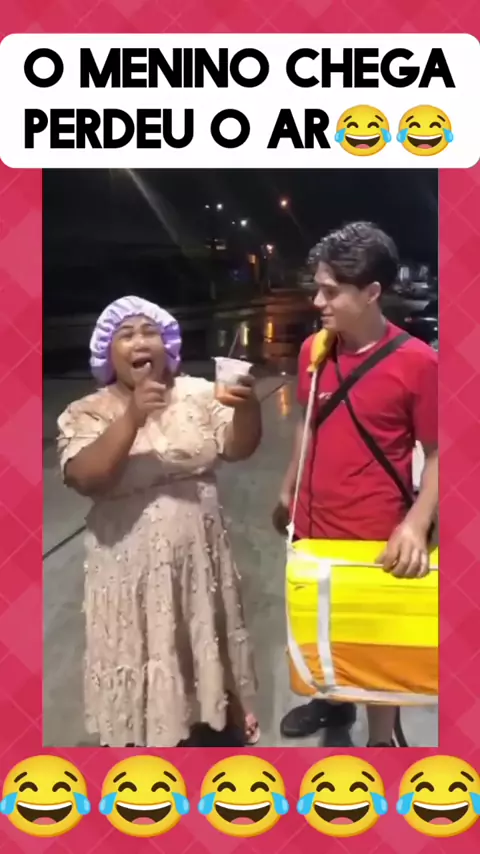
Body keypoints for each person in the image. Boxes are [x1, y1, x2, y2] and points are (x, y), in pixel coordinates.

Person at [57, 296, 261, 748]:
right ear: (107, 352)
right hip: (127, 572)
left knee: (200, 640)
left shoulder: (199, 394)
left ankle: (211, 717)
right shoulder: (88, 410)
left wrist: (247, 407)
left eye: (149, 332)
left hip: (199, 565)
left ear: (167, 345)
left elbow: (238, 447)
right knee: (142, 648)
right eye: (125, 335)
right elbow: (85, 476)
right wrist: (132, 416)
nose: (139, 342)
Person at [273, 222, 438, 747]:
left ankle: (382, 738)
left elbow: (441, 452)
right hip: (314, 524)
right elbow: (307, 421)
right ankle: (330, 700)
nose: (317, 301)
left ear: (371, 292)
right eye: (317, 288)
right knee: (323, 625)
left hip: (376, 532)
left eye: (331, 291)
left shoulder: (418, 363)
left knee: (376, 641)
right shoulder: (313, 351)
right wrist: (289, 485)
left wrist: (415, 525)